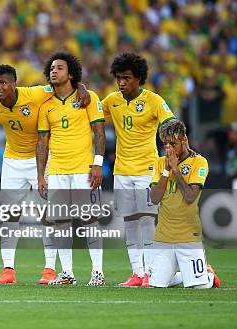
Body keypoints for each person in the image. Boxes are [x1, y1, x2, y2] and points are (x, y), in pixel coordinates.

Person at [0, 64, 91, 284]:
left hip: (40, 161)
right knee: (9, 216)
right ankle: (8, 271)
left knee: (47, 217)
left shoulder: (35, 93)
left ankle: (49, 269)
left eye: (3, 83)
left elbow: (64, 86)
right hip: (12, 161)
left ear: (14, 83)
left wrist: (82, 87)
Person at [101, 53, 175, 287]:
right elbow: (91, 117)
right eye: (118, 78)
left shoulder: (154, 100)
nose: (121, 83)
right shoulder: (112, 101)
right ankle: (137, 273)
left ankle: (153, 273)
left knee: (147, 221)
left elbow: (170, 125)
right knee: (130, 221)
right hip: (121, 171)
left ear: (139, 78)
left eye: (126, 78)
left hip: (147, 170)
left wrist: (174, 152)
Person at [37, 52, 106, 286]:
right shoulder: (46, 106)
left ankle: (97, 272)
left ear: (71, 74)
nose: (54, 71)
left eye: (59, 68)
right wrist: (41, 176)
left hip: (83, 169)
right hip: (57, 170)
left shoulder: (88, 98)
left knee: (89, 218)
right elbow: (42, 142)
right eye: (52, 68)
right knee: (60, 221)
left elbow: (99, 132)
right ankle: (67, 272)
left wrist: (97, 164)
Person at [148, 119, 220, 289]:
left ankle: (207, 275)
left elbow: (190, 197)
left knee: (200, 287)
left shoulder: (199, 162)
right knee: (156, 285)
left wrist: (176, 170)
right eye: (165, 144)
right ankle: (183, 275)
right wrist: (166, 170)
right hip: (163, 238)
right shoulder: (159, 163)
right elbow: (154, 198)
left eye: (172, 144)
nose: (168, 149)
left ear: (184, 140)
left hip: (189, 237)